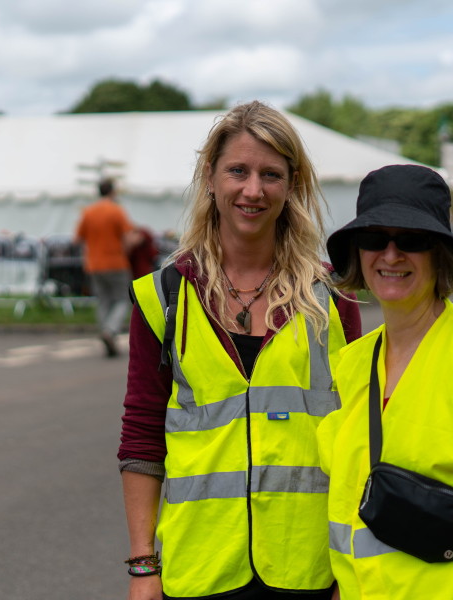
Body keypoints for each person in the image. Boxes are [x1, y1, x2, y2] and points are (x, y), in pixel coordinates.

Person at [118, 101, 363, 600]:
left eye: (271, 174)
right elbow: (143, 434)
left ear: (291, 186)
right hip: (202, 565)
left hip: (308, 566)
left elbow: (358, 440)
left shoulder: (331, 300)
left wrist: (351, 567)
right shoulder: (164, 297)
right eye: (238, 171)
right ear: (209, 177)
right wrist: (144, 566)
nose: (253, 190)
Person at [318, 164, 453, 599]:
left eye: (412, 240)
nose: (390, 255)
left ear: (439, 252)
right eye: (373, 239)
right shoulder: (352, 362)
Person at [74, 178, 138, 357]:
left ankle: (105, 332)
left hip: (94, 263)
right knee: (121, 299)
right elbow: (128, 237)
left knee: (103, 300)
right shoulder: (116, 211)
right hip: (116, 262)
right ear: (113, 191)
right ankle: (110, 331)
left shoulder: (88, 212)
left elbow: (77, 239)